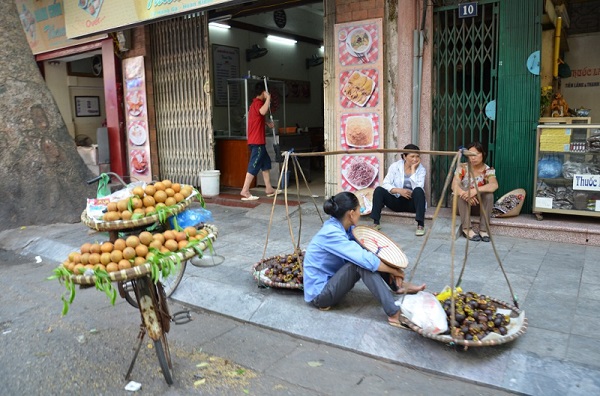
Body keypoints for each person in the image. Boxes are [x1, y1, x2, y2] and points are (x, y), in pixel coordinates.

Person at [303, 192, 426, 327]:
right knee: (361, 264)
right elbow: (365, 260)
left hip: (332, 282)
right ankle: (393, 313)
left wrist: (394, 268)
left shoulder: (345, 226)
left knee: (369, 252)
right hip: (320, 295)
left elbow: (369, 248)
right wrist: (396, 271)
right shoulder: (331, 233)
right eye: (359, 209)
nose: (360, 213)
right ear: (351, 214)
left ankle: (398, 286)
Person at [369, 144, 427, 236]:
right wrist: (398, 190)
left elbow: (418, 186)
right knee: (379, 190)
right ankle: (376, 223)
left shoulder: (421, 170)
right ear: (404, 156)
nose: (415, 159)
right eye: (412, 156)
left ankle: (420, 225)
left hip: (412, 204)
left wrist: (412, 169)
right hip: (397, 201)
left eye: (417, 157)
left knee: (419, 190)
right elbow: (386, 183)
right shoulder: (395, 166)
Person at [240, 83, 280, 201]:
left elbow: (258, 117)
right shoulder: (258, 103)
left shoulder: (253, 104)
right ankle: (245, 190)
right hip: (257, 141)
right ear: (263, 92)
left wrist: (266, 123)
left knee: (265, 163)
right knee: (254, 164)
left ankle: (268, 188)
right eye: (265, 93)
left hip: (257, 140)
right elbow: (263, 112)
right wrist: (268, 99)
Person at [451, 142, 499, 242]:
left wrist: (474, 191)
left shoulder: (488, 170)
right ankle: (466, 229)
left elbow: (494, 185)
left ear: (483, 154)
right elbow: (454, 185)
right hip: (460, 206)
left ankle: (483, 230)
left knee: (489, 195)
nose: (473, 157)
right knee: (461, 190)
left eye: (476, 154)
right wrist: (466, 194)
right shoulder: (462, 168)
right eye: (470, 154)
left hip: (477, 206)